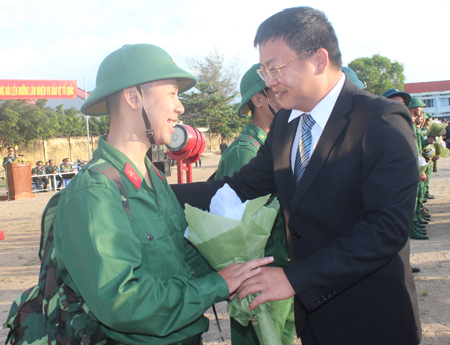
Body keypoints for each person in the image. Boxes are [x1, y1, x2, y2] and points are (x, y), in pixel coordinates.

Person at [172, 7, 422, 345]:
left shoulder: (379, 120)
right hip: (316, 319)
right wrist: (149, 188)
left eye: (275, 68)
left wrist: (294, 279)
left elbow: (386, 229)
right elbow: (241, 187)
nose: (269, 81)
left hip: (372, 317)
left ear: (318, 60)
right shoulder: (285, 123)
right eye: (264, 70)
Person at [19, 43, 271, 345]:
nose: (180, 107)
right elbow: (123, 302)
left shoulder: (150, 177)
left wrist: (235, 265)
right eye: (172, 94)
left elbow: (176, 259)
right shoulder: (95, 192)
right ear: (133, 96)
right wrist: (216, 285)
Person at [215, 64, 295, 345]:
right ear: (259, 99)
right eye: (273, 88)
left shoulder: (276, 143)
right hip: (258, 274)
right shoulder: (246, 151)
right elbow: (235, 229)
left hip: (280, 266)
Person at [382, 89, 422, 272]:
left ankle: (403, 264)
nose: (401, 107)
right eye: (395, 103)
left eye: (403, 104)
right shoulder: (380, 128)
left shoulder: (406, 126)